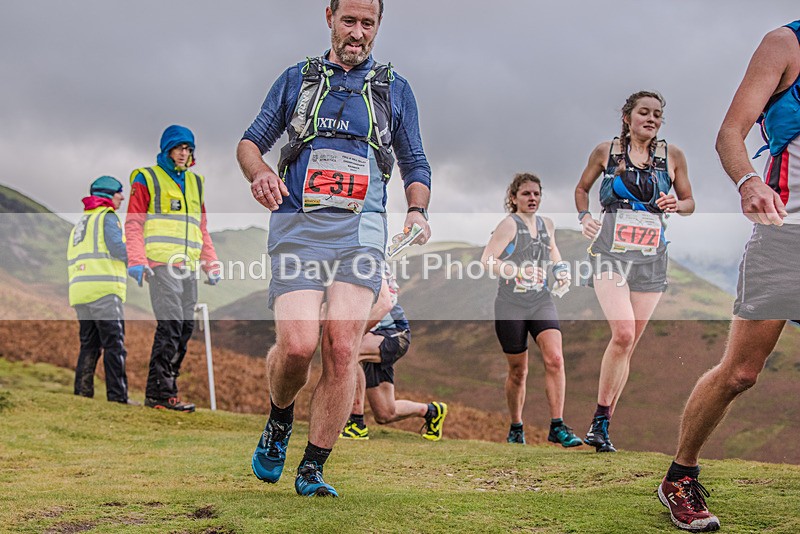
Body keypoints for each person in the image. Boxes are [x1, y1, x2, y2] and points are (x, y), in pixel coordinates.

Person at [237, 0, 431, 497]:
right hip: (299, 226)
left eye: (369, 23)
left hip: (361, 230)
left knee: (343, 349)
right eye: (350, 21)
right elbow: (250, 142)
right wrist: (259, 173)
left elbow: (415, 162)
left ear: (379, 26)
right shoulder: (298, 79)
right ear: (329, 17)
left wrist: (416, 209)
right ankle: (280, 419)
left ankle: (313, 467)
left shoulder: (394, 88)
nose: (358, 32)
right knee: (299, 346)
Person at [658, 21, 800, 532]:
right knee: (740, 373)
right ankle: (680, 476)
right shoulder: (786, 45)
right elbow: (729, 134)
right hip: (786, 235)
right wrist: (747, 181)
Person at [574, 91, 694, 452]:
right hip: (611, 252)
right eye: (644, 112)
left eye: (658, 114)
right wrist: (584, 217)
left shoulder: (672, 156)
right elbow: (582, 189)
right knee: (623, 334)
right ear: (627, 116)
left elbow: (689, 202)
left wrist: (678, 203)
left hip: (652, 257)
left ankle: (603, 424)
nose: (652, 119)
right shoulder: (605, 152)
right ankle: (599, 420)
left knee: (629, 345)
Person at [481, 173, 582, 448]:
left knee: (555, 359)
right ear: (513, 198)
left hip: (541, 300)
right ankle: (516, 427)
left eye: (536, 193)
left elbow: (553, 252)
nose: (532, 198)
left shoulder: (547, 224)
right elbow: (487, 259)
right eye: (526, 193)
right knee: (518, 372)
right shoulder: (508, 225)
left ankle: (557, 426)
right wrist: (514, 270)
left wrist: (561, 271)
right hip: (510, 304)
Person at [126, 124, 220, 413]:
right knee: (170, 326)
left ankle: (168, 391)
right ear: (167, 149)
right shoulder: (147, 178)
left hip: (188, 267)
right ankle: (159, 394)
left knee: (185, 328)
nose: (184, 153)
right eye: (179, 147)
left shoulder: (196, 183)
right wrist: (136, 260)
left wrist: (210, 262)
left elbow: (201, 228)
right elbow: (134, 222)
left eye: (188, 148)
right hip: (160, 264)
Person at [340, 276, 447, 442]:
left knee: (350, 352)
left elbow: (385, 303)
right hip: (372, 336)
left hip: (394, 333)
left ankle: (356, 424)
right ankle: (432, 411)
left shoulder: (372, 261)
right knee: (385, 414)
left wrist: (355, 333)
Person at [67, 176, 133, 404]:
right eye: (119, 192)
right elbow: (117, 248)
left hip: (80, 292)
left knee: (89, 345)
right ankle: (118, 398)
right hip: (103, 290)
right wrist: (137, 258)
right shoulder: (107, 217)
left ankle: (82, 395)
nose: (122, 197)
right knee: (115, 345)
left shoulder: (82, 223)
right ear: (107, 195)